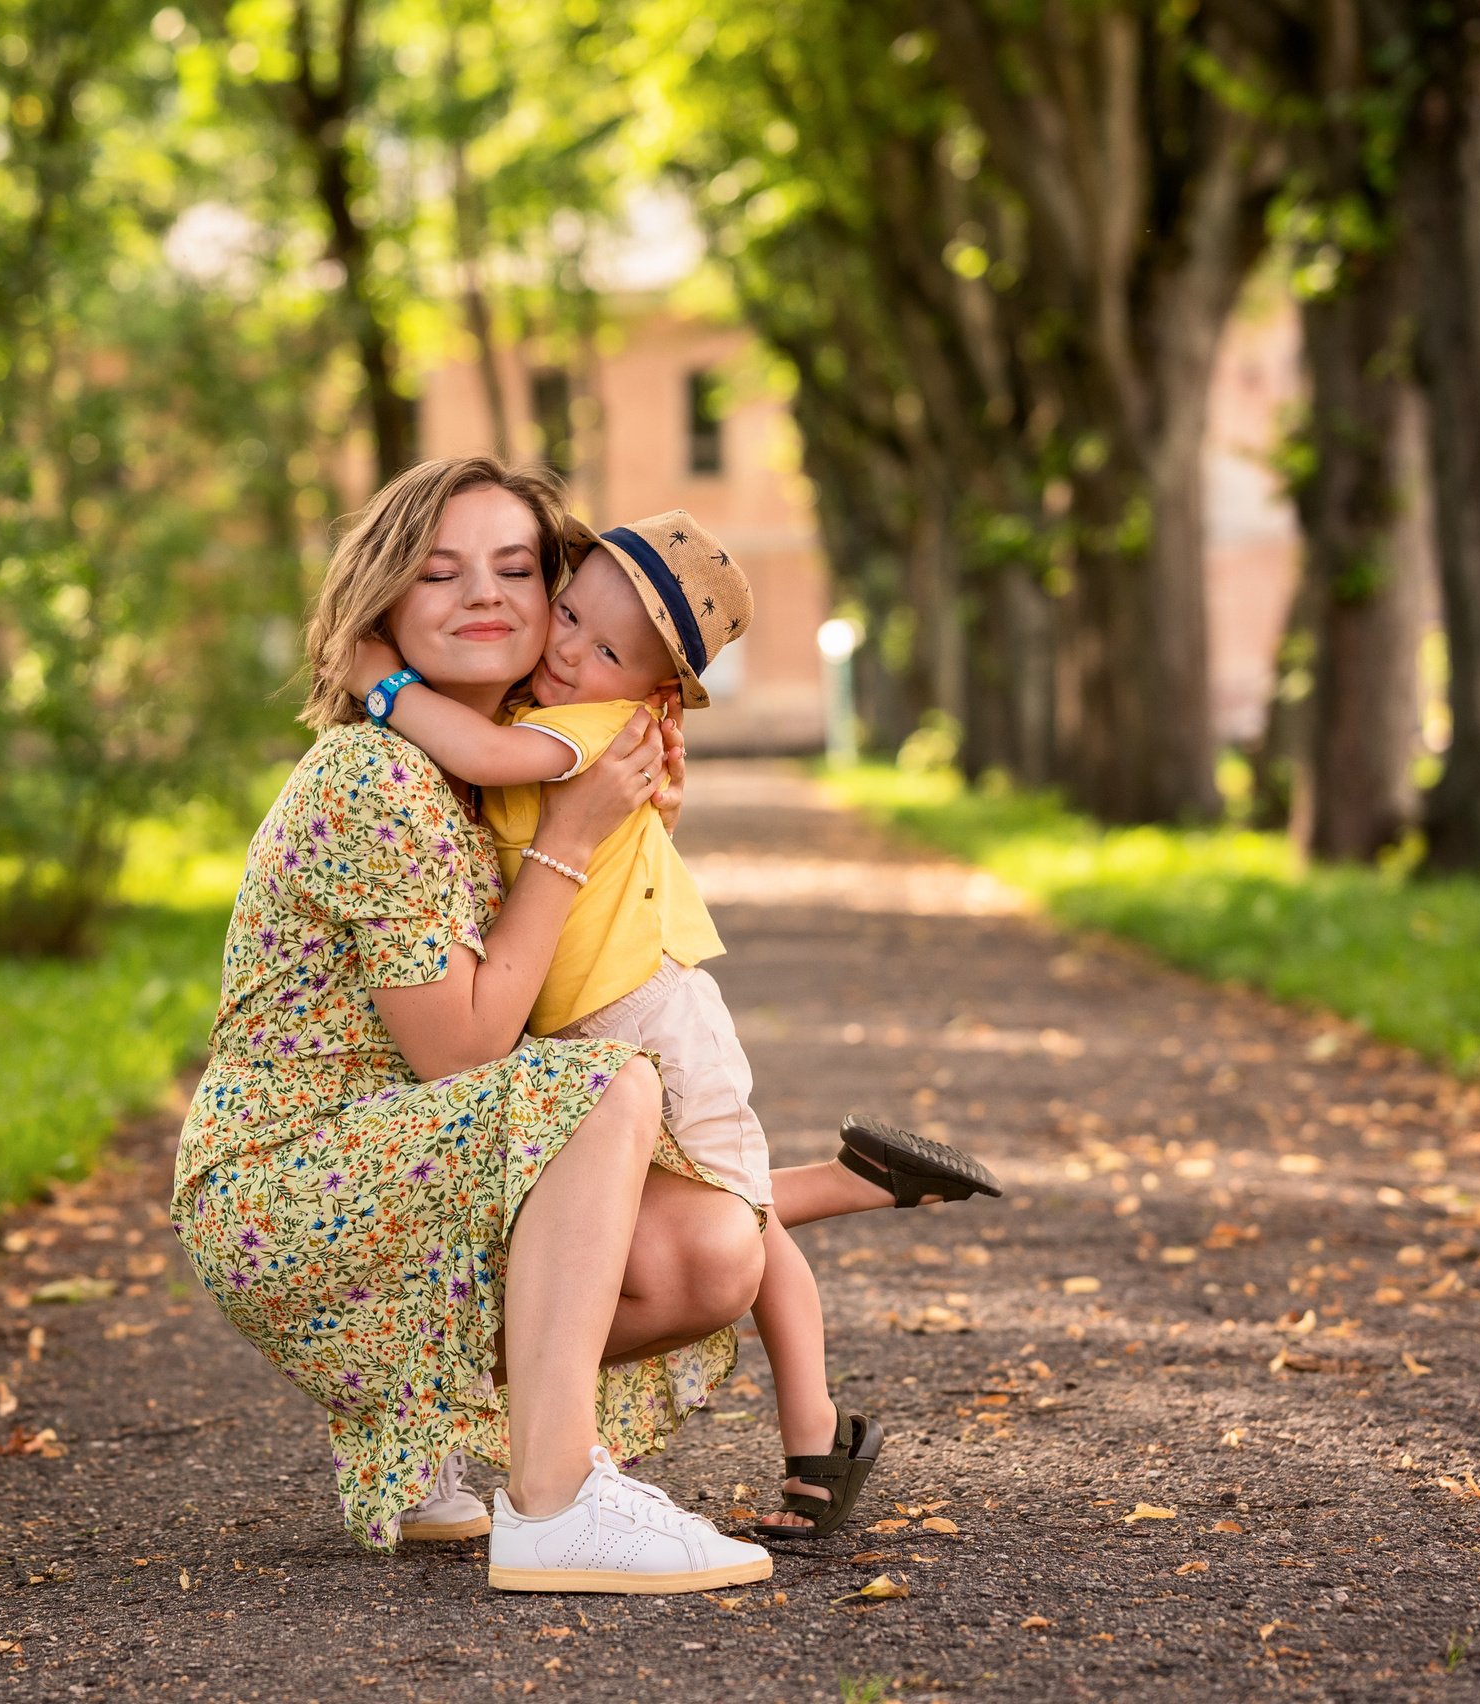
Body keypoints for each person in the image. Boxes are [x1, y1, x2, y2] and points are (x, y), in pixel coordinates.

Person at [172, 457, 775, 1593]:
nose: (483, 594)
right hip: (287, 1181)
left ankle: (433, 1440)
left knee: (705, 1254)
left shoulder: (477, 778)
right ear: (386, 602)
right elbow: (463, 1050)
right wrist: (574, 837)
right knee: (607, 1085)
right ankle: (554, 1497)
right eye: (438, 571)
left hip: (398, 1159)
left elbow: (574, 968)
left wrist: (619, 825)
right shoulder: (374, 774)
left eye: (515, 568)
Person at [346, 509, 1001, 1541]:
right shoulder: (564, 704)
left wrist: (380, 679)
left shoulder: (592, 730)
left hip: (649, 1009)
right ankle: (853, 1188)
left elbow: (473, 746)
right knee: (667, 1206)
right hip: (581, 1028)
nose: (566, 648)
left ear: (647, 688)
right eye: (564, 614)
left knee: (736, 1219)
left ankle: (815, 1436)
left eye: (604, 648)